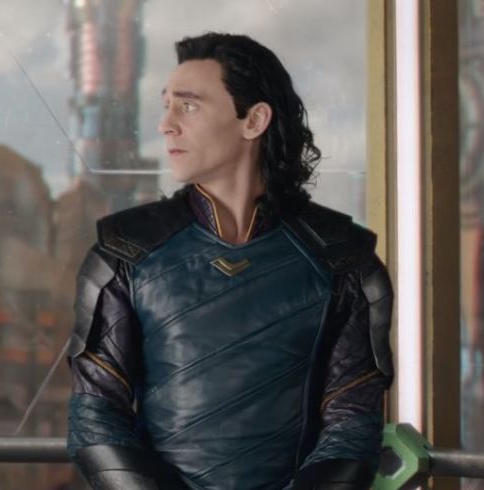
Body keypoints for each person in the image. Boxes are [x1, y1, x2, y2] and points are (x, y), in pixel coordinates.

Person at [66, 32, 393, 490]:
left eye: (189, 105)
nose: (166, 124)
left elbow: (352, 421)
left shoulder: (342, 258)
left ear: (254, 120)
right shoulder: (125, 253)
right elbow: (95, 418)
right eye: (166, 105)